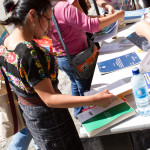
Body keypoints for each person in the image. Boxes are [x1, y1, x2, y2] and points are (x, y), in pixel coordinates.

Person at [0, 0, 116, 149]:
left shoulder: (6, 41)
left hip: (32, 117)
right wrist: (95, 99)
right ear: (33, 15)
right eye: (48, 19)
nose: (49, 26)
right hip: (50, 120)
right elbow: (49, 98)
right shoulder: (29, 52)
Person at [49, 0, 124, 118]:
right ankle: (90, 117)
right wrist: (116, 16)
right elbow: (91, 26)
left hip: (63, 57)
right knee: (86, 89)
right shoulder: (63, 7)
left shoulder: (49, 8)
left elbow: (81, 19)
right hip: (77, 57)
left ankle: (79, 114)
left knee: (75, 82)